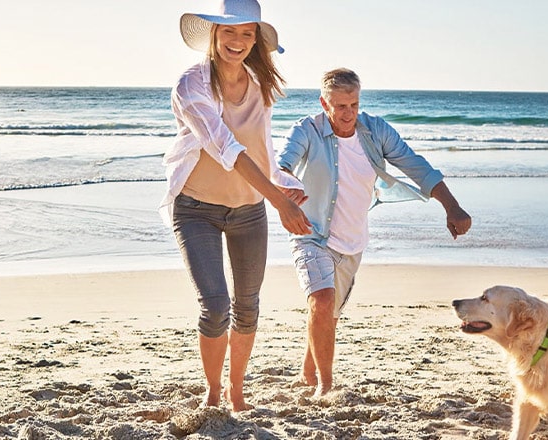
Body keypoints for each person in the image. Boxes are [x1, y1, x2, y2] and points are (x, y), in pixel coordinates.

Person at [277, 68, 472, 396]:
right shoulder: (306, 130)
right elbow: (281, 165)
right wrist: (287, 191)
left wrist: (451, 206)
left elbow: (415, 165)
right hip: (310, 232)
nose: (348, 113)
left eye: (353, 104)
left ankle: (308, 373)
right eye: (339, 106)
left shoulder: (375, 130)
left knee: (328, 312)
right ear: (324, 103)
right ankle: (325, 387)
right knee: (322, 302)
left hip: (352, 241)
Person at [158, 0, 311, 412]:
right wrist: (279, 200)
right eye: (230, 31)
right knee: (216, 306)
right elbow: (224, 146)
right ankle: (212, 389)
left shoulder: (260, 84)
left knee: (248, 308)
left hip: (248, 210)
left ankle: (236, 391)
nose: (238, 41)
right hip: (196, 209)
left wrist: (283, 183)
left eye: (247, 33)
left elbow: (261, 147)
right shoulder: (191, 86)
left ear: (256, 39)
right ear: (213, 33)